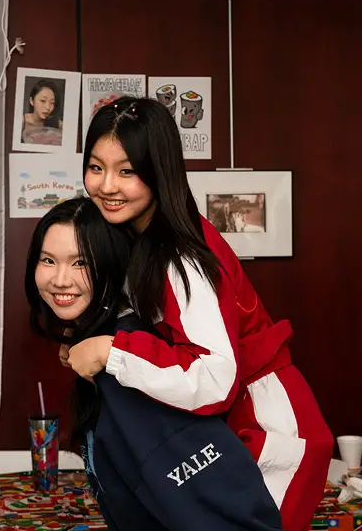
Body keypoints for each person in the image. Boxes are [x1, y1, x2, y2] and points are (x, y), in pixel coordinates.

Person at [63, 96, 333, 531]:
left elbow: (214, 378)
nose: (107, 186)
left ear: (159, 171)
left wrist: (111, 352)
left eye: (127, 171)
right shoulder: (138, 238)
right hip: (222, 430)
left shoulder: (181, 256)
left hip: (266, 429)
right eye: (96, 167)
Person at [25, 196, 282, 531]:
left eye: (80, 263)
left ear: (111, 264)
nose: (60, 279)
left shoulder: (133, 361)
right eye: (48, 260)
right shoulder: (99, 350)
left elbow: (224, 510)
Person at [21, 79, 63, 146]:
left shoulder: (54, 122)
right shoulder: (22, 122)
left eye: (52, 103)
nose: (48, 107)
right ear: (32, 101)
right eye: (43, 101)